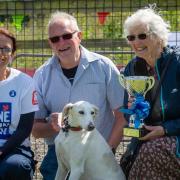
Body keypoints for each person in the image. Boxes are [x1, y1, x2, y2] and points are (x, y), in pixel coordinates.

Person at [32, 11, 126, 180]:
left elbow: (122, 116)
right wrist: (51, 126)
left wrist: (108, 151)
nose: (61, 42)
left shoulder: (104, 67)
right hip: (60, 151)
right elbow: (36, 130)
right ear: (50, 43)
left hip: (98, 151)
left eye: (67, 35)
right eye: (55, 39)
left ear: (79, 36)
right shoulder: (41, 75)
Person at [122, 5, 180, 179]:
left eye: (142, 36)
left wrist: (165, 129)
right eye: (131, 37)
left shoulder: (177, 64)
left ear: (158, 37)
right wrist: (132, 111)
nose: (136, 42)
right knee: (129, 166)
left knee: (151, 152)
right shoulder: (131, 69)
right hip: (147, 138)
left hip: (174, 135)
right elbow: (128, 114)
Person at [0, 27, 39, 180]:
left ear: (12, 54)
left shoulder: (24, 83)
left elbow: (25, 128)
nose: (0, 52)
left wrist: (2, 150)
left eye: (6, 49)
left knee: (16, 167)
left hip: (14, 149)